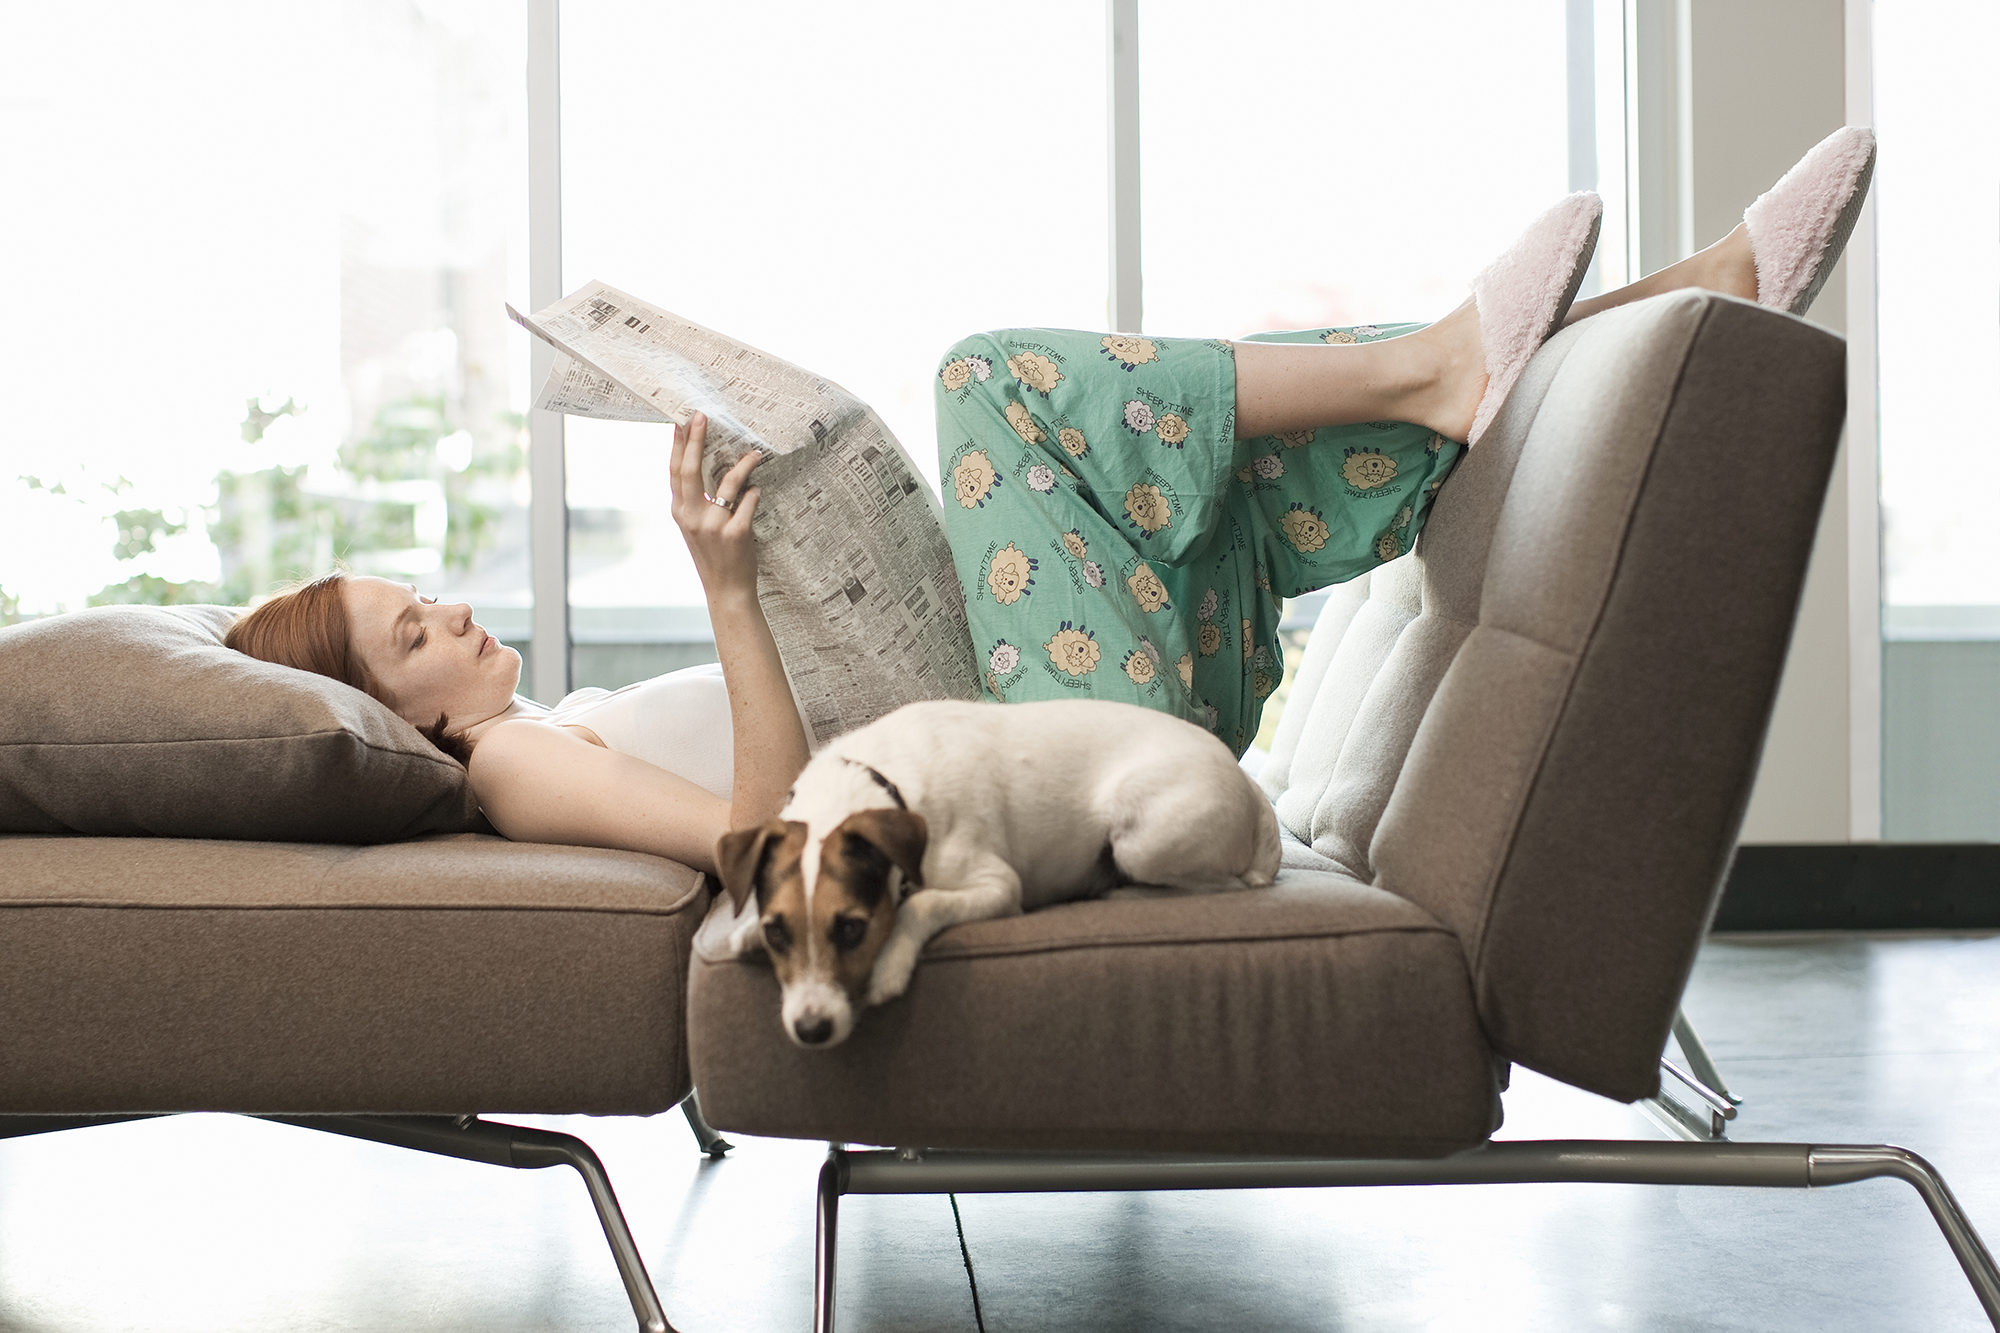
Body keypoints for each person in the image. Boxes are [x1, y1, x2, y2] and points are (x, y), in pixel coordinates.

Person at [223, 126, 1875, 866]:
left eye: (417, 595)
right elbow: (751, 841)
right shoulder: (514, 766)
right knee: (990, 382)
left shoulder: (549, 724)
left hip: (1068, 717)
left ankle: (1644, 310)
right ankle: (1453, 360)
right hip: (1047, 769)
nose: (447, 609)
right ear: (394, 714)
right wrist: (729, 584)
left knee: (1215, 463)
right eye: (409, 633)